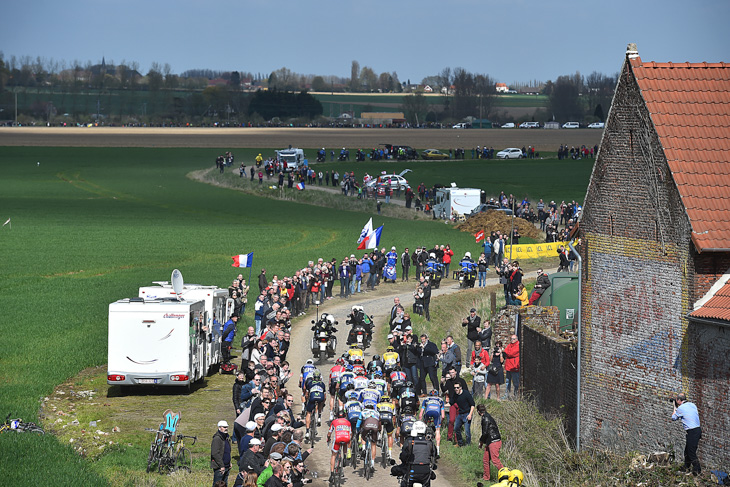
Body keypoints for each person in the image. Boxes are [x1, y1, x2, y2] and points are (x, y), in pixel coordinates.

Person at [396, 421, 436, 487]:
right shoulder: (429, 442)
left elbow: (403, 456)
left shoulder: (409, 440)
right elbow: (435, 455)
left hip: (411, 470)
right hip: (425, 472)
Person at [671, 393, 702, 475]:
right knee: (687, 451)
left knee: (691, 452)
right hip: (697, 430)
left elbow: (673, 418)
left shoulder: (680, 408)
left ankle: (697, 470)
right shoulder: (692, 405)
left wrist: (674, 407)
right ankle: (686, 467)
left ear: (678, 400)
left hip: (692, 431)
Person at [477, 404, 504, 482]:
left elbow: (485, 433)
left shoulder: (485, 418)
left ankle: (506, 475)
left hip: (494, 441)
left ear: (478, 411)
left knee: (495, 461)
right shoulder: (487, 416)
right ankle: (486, 477)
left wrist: (481, 442)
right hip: (490, 441)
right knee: (485, 460)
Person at [419, 389, 445, 456]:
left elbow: (421, 413)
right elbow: (443, 416)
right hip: (436, 413)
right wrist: (440, 423)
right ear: (437, 395)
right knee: (437, 430)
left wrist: (421, 420)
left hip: (428, 412)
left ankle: (422, 444)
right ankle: (438, 450)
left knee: (424, 427)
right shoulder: (440, 400)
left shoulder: (426, 399)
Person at [452, 382, 475, 446]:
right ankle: (460, 443)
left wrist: (470, 414)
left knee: (467, 431)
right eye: (455, 388)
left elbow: (472, 404)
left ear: (460, 388)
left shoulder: (466, 394)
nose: (456, 389)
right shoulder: (455, 395)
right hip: (460, 414)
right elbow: (451, 402)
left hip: (467, 413)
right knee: (456, 428)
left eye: (457, 388)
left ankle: (468, 444)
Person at [211, 420, 232, 486]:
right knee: (217, 484)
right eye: (224, 427)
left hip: (226, 466)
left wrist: (229, 462)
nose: (226, 429)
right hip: (219, 467)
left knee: (225, 484)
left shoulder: (226, 437)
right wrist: (221, 466)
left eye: (227, 427)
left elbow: (227, 452)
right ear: (220, 428)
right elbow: (215, 453)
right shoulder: (217, 438)